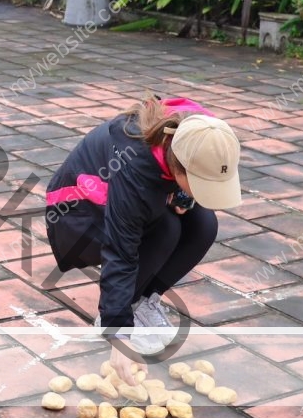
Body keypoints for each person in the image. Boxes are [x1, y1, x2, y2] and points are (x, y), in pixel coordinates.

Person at [44, 96, 241, 371]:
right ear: (178, 166)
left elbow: (184, 181)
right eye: (199, 182)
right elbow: (120, 251)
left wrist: (184, 194)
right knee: (167, 229)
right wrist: (118, 333)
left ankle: (143, 302)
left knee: (203, 226)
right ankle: (119, 314)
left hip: (127, 195)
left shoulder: (205, 132)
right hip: (76, 218)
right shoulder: (134, 166)